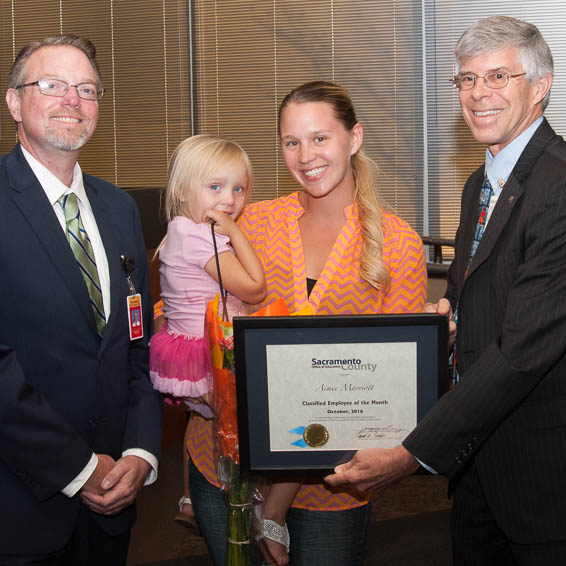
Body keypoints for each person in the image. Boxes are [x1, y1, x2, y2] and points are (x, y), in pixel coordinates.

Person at [326, 15, 566, 566]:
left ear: (541, 85)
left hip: (541, 478)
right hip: (477, 465)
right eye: (466, 79)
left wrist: (410, 453)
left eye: (498, 76)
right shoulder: (479, 183)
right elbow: (471, 292)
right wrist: (445, 317)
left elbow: (522, 354)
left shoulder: (558, 185)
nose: (478, 93)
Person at [231, 80, 428, 565]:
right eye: (291, 141)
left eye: (320, 138)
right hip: (231, 467)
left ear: (353, 138)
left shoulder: (397, 242)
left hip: (333, 490)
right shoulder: (253, 225)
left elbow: (396, 386)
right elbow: (194, 303)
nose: (305, 155)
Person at [0, 35, 163, 564]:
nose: (73, 99)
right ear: (14, 103)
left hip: (114, 504)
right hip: (20, 506)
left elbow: (136, 346)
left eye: (87, 89)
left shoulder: (118, 209)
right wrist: (79, 467)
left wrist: (139, 452)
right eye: (52, 85)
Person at [151, 134, 298, 565]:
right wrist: (235, 231)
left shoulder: (181, 231)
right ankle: (261, 507)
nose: (230, 200)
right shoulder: (201, 237)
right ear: (182, 191)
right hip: (208, 356)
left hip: (187, 352)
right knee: (278, 416)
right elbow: (254, 287)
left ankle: (196, 499)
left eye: (239, 188)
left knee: (217, 429)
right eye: (215, 187)